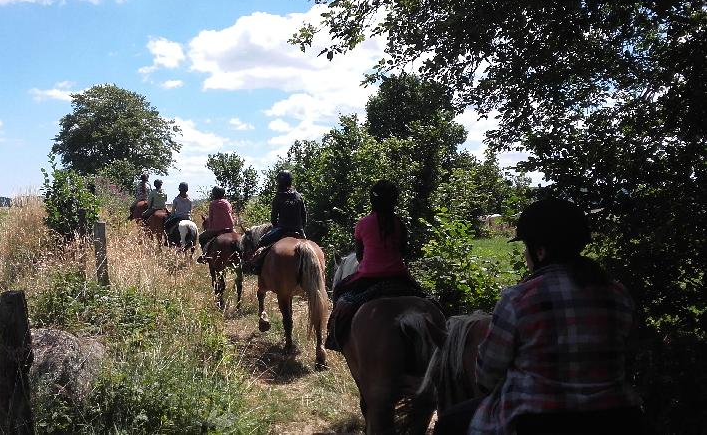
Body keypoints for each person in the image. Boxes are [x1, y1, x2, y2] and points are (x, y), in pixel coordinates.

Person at [433, 198, 646, 435]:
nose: (526, 255)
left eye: (526, 247)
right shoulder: (617, 293)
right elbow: (631, 355)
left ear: (540, 251)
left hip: (538, 421)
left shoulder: (518, 298)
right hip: (618, 418)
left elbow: (487, 375)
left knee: (449, 423)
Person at [325, 179, 426, 351]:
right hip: (399, 276)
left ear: (372, 200)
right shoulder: (399, 223)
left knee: (339, 292)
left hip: (368, 277)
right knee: (427, 299)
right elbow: (403, 251)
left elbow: (359, 255)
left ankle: (335, 339)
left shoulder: (363, 223)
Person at [247, 170, 307, 270]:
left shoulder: (278, 197)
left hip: (282, 229)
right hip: (298, 230)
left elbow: (273, 219)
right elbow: (304, 216)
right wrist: (301, 228)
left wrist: (276, 225)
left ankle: (256, 267)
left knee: (262, 242)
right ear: (291, 181)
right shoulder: (298, 196)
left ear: (279, 182)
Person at [196, 186, 235, 263]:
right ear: (223, 194)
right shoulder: (227, 203)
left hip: (216, 230)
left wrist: (210, 227)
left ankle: (205, 255)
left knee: (201, 237)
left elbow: (211, 218)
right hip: (229, 228)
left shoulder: (212, 204)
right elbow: (229, 214)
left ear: (214, 195)